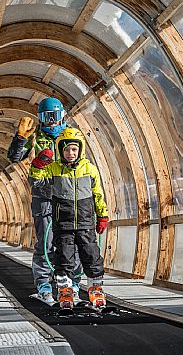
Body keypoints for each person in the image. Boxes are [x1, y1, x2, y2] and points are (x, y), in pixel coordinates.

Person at [7, 97, 82, 305]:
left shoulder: (71, 136)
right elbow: (14, 157)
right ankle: (44, 286)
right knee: (46, 243)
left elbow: (83, 162)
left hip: (68, 196)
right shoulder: (36, 137)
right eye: (46, 117)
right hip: (44, 196)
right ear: (40, 118)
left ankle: (72, 285)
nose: (50, 121)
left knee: (72, 241)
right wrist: (20, 139)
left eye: (54, 116)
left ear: (62, 116)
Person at [29, 127, 109, 309]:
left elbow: (98, 194)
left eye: (74, 149)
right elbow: (37, 181)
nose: (70, 153)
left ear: (80, 150)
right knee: (64, 258)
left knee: (91, 256)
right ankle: (65, 292)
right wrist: (38, 165)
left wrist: (102, 215)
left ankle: (96, 289)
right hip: (63, 224)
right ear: (60, 151)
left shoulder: (89, 169)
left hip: (85, 223)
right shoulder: (54, 169)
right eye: (66, 150)